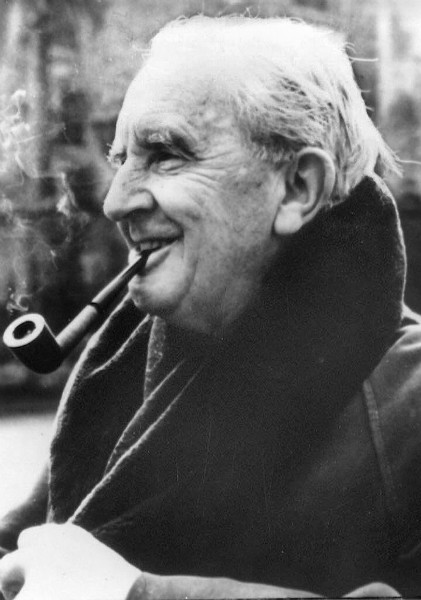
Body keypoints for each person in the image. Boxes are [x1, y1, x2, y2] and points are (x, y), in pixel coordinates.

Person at [0, 14, 419, 599]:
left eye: (165, 154)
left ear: (298, 188)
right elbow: (35, 547)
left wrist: (134, 593)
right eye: (121, 159)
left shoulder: (411, 400)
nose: (116, 202)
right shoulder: (122, 364)